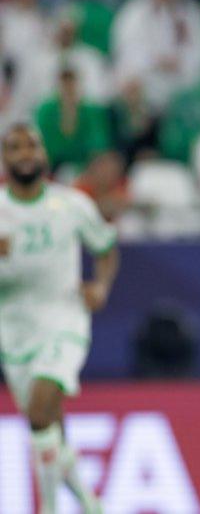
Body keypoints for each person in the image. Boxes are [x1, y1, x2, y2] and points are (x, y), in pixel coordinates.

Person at [0, 124, 119, 514]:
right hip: (14, 330)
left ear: (44, 154)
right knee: (49, 430)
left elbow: (106, 247)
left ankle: (48, 508)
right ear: (4, 159)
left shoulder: (72, 205)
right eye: (14, 147)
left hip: (64, 318)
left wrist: (100, 286)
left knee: (39, 411)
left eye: (31, 145)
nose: (25, 154)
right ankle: (89, 502)